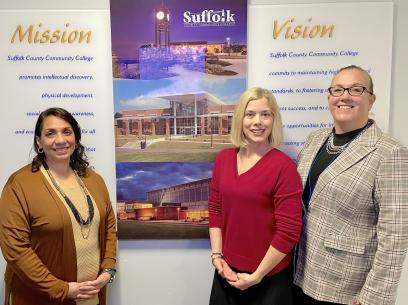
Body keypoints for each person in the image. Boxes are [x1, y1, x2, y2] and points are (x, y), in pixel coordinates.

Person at [294, 65, 408, 305]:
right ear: (329, 98)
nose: (344, 96)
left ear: (371, 100)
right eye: (337, 90)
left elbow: (395, 236)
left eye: (355, 89)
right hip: (301, 273)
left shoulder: (390, 153)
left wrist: (372, 298)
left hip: (347, 288)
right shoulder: (315, 140)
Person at [0, 107, 117, 305]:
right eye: (50, 133)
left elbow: (109, 230)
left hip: (90, 297)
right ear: (39, 141)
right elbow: (15, 248)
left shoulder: (94, 180)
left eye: (67, 131)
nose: (61, 140)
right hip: (40, 298)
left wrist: (107, 270)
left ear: (76, 138)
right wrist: (62, 289)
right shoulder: (19, 184)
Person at [208, 87, 303, 305]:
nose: (257, 122)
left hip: (269, 280)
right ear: (240, 119)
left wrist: (257, 276)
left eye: (265, 114)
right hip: (226, 273)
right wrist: (217, 257)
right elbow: (215, 210)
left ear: (274, 120)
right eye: (250, 114)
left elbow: (289, 232)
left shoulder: (284, 168)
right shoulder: (223, 159)